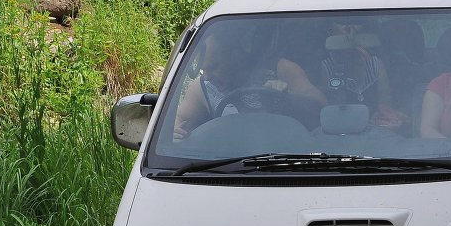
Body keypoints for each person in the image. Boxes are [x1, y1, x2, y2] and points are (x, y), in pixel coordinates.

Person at [173, 33, 326, 140]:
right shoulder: (203, 87)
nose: (207, 76)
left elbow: (323, 110)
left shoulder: (281, 70)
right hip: (227, 170)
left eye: (213, 67)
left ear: (234, 56)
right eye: (203, 70)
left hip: (293, 165)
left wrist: (288, 97)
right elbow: (178, 119)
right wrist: (173, 129)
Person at [318, 21, 406, 130]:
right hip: (340, 134)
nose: (350, 29)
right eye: (342, 23)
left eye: (355, 23)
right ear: (331, 30)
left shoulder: (375, 64)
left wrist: (387, 118)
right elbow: (331, 112)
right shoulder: (327, 66)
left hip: (374, 132)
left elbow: (385, 108)